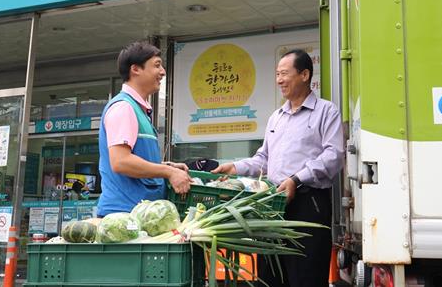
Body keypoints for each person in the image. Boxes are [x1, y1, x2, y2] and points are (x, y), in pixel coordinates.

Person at [213, 49, 342, 287]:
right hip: (272, 205)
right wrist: (235, 167)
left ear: (304, 74)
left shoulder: (326, 111)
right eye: (277, 74)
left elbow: (333, 156)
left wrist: (296, 179)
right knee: (270, 275)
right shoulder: (276, 117)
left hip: (308, 203)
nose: (279, 80)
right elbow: (264, 159)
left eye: (284, 73)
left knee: (306, 275)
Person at [97, 42, 191, 217]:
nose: (162, 71)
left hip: (138, 214)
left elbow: (132, 158)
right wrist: (168, 172)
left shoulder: (138, 109)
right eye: (157, 65)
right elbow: (120, 161)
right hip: (124, 216)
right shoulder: (123, 107)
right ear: (136, 69)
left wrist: (164, 166)